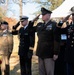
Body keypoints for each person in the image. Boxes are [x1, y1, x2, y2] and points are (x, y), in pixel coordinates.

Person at [34, 7, 60, 75]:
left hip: (49, 53)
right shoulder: (40, 25)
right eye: (42, 14)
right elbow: (30, 29)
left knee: (49, 72)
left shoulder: (54, 25)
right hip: (40, 52)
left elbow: (56, 39)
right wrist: (35, 19)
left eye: (44, 14)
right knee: (41, 72)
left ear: (49, 15)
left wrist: (56, 53)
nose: (42, 16)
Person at [57, 6, 74, 75]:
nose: (73, 17)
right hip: (69, 55)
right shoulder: (70, 27)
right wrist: (62, 21)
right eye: (73, 15)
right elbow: (58, 30)